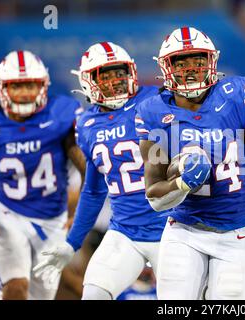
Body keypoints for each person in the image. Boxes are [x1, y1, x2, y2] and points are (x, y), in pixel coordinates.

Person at [135, 26, 245, 300]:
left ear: (212, 62)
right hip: (184, 231)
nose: (191, 69)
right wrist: (182, 183)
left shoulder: (234, 94)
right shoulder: (154, 111)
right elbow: (155, 197)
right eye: (181, 62)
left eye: (198, 60)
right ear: (165, 67)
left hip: (235, 234)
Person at [33, 42, 169, 300]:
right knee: (94, 293)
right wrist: (72, 243)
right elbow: (94, 190)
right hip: (124, 232)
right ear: (87, 81)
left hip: (172, 229)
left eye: (118, 72)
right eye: (103, 75)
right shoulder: (86, 124)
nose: (114, 80)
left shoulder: (157, 100)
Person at [0, 50, 85, 300]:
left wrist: (79, 214)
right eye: (17, 86)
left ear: (44, 86)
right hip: (9, 214)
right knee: (16, 288)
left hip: (54, 220)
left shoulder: (62, 113)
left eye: (30, 85)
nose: (25, 93)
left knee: (39, 296)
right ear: (1, 88)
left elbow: (88, 171)